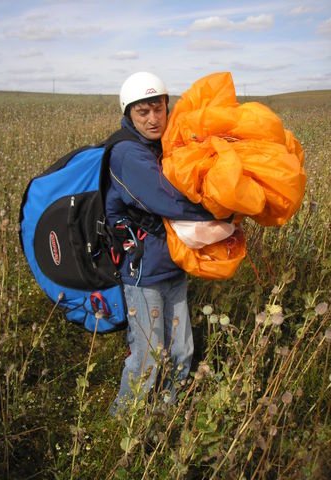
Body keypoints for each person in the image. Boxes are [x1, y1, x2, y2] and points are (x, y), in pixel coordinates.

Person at [105, 72, 229, 414]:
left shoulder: (165, 145)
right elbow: (167, 198)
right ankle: (124, 423)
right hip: (143, 273)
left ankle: (167, 414)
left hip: (173, 264)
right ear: (129, 114)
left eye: (158, 109)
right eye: (142, 112)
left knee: (181, 350)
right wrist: (221, 213)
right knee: (147, 356)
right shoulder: (127, 154)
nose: (153, 119)